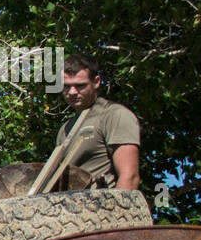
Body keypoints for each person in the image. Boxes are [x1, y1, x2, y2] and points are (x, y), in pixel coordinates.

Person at [55, 53, 140, 190]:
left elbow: (129, 176)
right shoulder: (66, 129)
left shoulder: (114, 115)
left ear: (96, 82)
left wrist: (118, 211)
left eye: (80, 85)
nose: (72, 92)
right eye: (66, 86)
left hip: (102, 207)